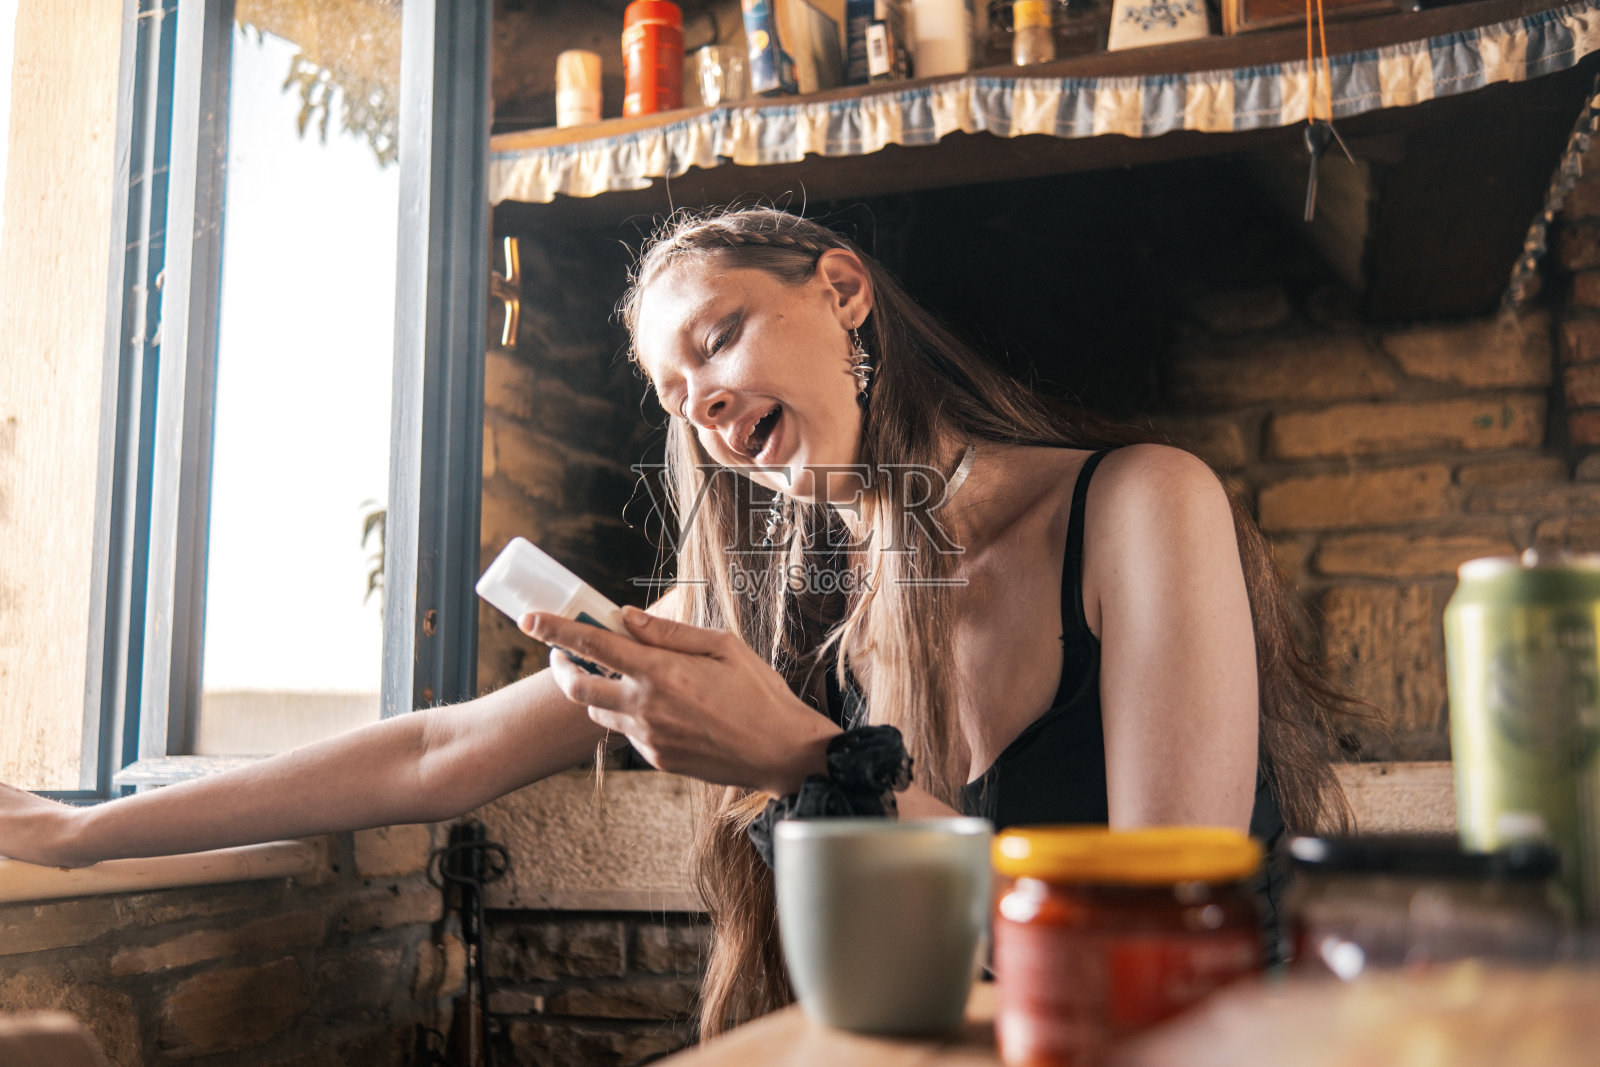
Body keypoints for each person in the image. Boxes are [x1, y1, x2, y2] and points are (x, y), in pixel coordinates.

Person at [0, 206, 1360, 1041]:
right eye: (671, 392)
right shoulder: (772, 605)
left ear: (843, 291)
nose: (700, 404)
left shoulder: (1140, 505)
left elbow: (1156, 947)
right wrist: (77, 834)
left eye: (718, 340)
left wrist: (810, 759)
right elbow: (436, 753)